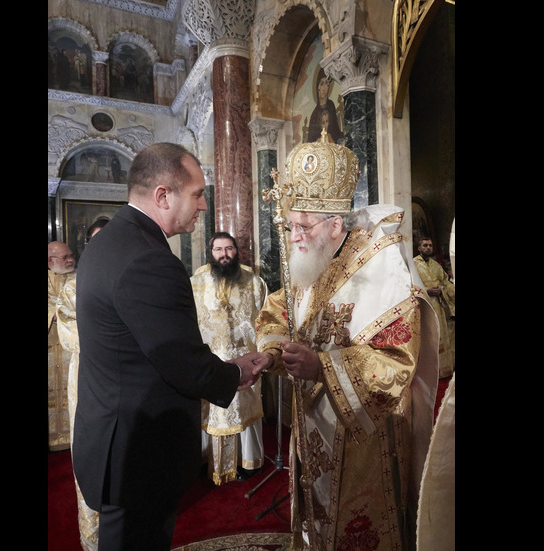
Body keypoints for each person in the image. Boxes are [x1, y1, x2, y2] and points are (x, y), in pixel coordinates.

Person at [72, 142, 270, 550]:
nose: (202, 206)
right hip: (137, 454)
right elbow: (181, 362)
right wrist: (236, 372)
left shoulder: (107, 242)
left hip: (114, 438)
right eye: (197, 194)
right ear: (163, 195)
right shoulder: (148, 258)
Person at [255, 132, 439, 550]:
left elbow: (397, 362)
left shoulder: (384, 267)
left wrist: (322, 366)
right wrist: (270, 353)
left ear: (335, 223)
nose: (294, 236)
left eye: (303, 226)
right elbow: (281, 306)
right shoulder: (313, 258)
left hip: (363, 441)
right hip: (311, 426)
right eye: (290, 225)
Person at [191, 231, 269, 484]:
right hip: (211, 361)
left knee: (244, 411)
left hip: (245, 360)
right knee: (211, 411)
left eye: (229, 249)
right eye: (218, 249)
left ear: (236, 251)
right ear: (210, 253)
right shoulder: (196, 281)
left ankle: (248, 462)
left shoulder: (254, 281)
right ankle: (208, 460)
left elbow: (267, 320)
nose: (224, 254)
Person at [66, 220, 107, 551]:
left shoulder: (129, 277)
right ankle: (95, 535)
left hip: (124, 377)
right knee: (92, 450)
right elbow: (69, 335)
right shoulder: (70, 288)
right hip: (87, 375)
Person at [48, 241, 78, 451]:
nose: (70, 260)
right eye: (64, 257)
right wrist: (56, 314)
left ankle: (71, 436)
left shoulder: (80, 278)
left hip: (72, 347)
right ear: (50, 261)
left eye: (71, 256)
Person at [414, 237, 456, 378]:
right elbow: (408, 287)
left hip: (440, 306)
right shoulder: (413, 265)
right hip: (423, 307)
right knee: (428, 339)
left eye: (430, 245)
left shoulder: (436, 265)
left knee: (442, 337)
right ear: (419, 248)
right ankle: (429, 374)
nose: (428, 248)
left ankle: (444, 370)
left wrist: (443, 289)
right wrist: (427, 290)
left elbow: (446, 282)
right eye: (425, 245)